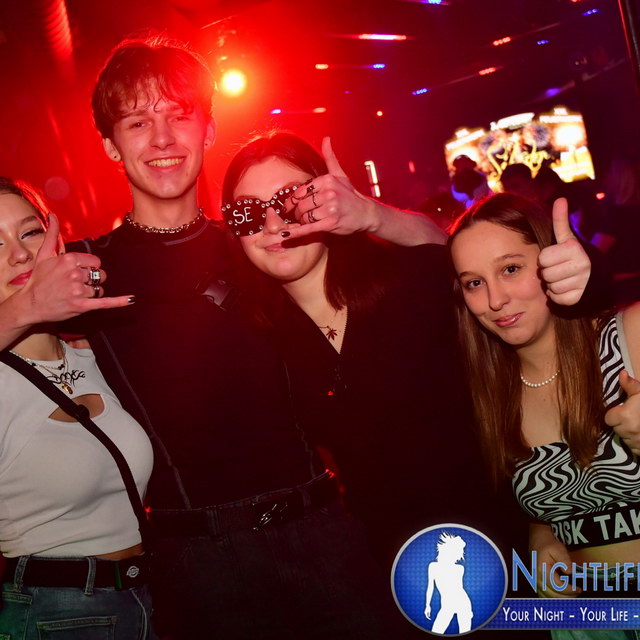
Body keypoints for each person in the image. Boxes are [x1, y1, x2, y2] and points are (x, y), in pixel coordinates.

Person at [64, 34, 453, 640]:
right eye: (138, 122)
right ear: (111, 145)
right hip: (194, 565)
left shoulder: (257, 245)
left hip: (322, 536)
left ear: (209, 130)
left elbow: (440, 259)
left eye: (179, 116)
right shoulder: (84, 269)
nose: (162, 139)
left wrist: (373, 214)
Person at [220, 132, 601, 574]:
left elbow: (517, 283)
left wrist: (586, 277)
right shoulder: (257, 341)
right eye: (247, 212)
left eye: (291, 201)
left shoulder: (413, 282)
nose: (272, 224)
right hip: (393, 571)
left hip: (514, 543)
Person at [449, 193, 640, 636]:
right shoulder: (492, 398)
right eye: (474, 282)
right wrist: (543, 529)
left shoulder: (629, 339)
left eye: (510, 269)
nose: (495, 299)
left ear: (554, 262)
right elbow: (562, 498)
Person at [0, 178, 154, 639]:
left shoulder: (93, 354)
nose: (19, 254)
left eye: (30, 232)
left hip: (143, 601)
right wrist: (28, 306)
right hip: (51, 613)